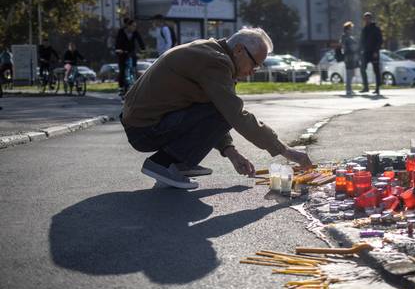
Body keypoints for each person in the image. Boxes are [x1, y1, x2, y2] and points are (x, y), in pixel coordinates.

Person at [120, 28, 313, 189]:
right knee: (228, 111)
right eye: (255, 64)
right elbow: (234, 114)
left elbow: (210, 107)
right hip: (145, 130)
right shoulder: (217, 62)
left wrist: (231, 152)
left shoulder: (211, 52)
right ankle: (164, 162)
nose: (253, 72)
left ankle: (178, 162)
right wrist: (285, 151)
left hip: (143, 123)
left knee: (221, 108)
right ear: (238, 50)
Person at [115, 18, 145, 94]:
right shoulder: (121, 32)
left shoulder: (135, 32)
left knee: (134, 68)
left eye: (135, 26)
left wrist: (143, 49)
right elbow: (117, 41)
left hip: (131, 52)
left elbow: (140, 40)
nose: (134, 28)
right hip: (122, 53)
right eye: (133, 26)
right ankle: (121, 88)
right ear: (128, 26)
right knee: (122, 70)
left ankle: (136, 84)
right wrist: (118, 49)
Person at [359, 12, 383, 95]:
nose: (366, 20)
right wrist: (361, 50)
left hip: (374, 52)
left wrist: (376, 51)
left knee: (376, 70)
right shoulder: (364, 29)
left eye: (368, 18)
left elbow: (379, 41)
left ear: (371, 19)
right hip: (365, 53)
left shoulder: (376, 29)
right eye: (365, 19)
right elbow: (361, 41)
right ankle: (366, 87)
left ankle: (377, 88)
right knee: (362, 69)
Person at [340, 21, 358, 96]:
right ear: (346, 29)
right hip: (348, 57)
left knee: (352, 73)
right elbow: (343, 46)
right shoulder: (344, 36)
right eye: (350, 28)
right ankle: (348, 90)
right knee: (349, 74)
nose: (351, 30)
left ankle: (349, 89)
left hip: (353, 57)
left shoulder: (350, 37)